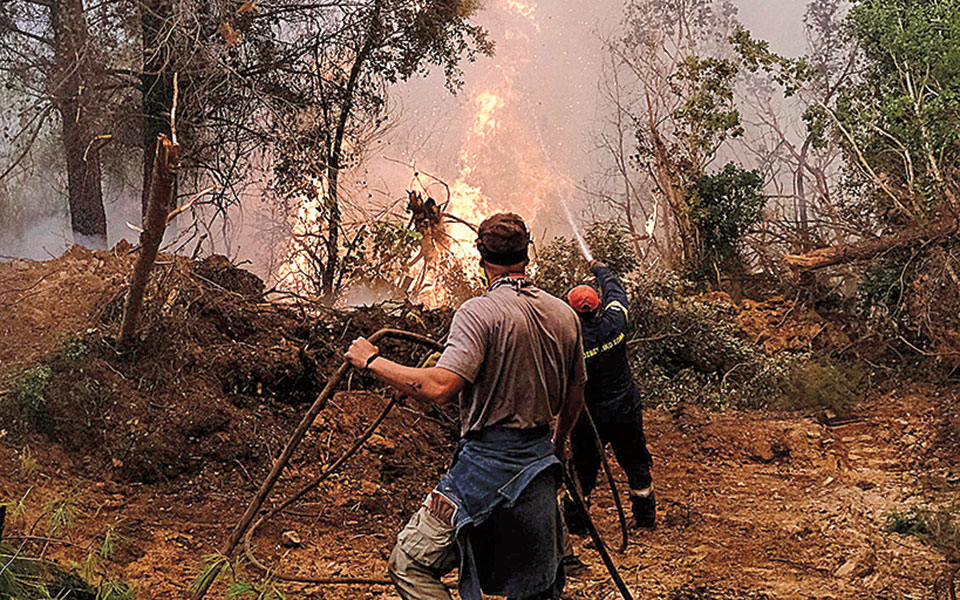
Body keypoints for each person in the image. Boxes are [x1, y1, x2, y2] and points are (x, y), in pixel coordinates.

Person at [344, 212, 586, 600]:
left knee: (410, 563)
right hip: (540, 464)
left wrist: (371, 360)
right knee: (538, 585)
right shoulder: (564, 314)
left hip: (485, 467)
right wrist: (557, 446)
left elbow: (440, 387)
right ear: (528, 253)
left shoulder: (479, 312)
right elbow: (576, 396)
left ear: (480, 258)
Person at [565, 260, 655, 531]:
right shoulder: (615, 322)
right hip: (625, 409)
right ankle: (645, 517)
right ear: (598, 305)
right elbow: (617, 293)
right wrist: (601, 270)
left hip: (589, 418)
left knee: (582, 470)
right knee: (636, 461)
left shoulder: (572, 341)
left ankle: (578, 526)